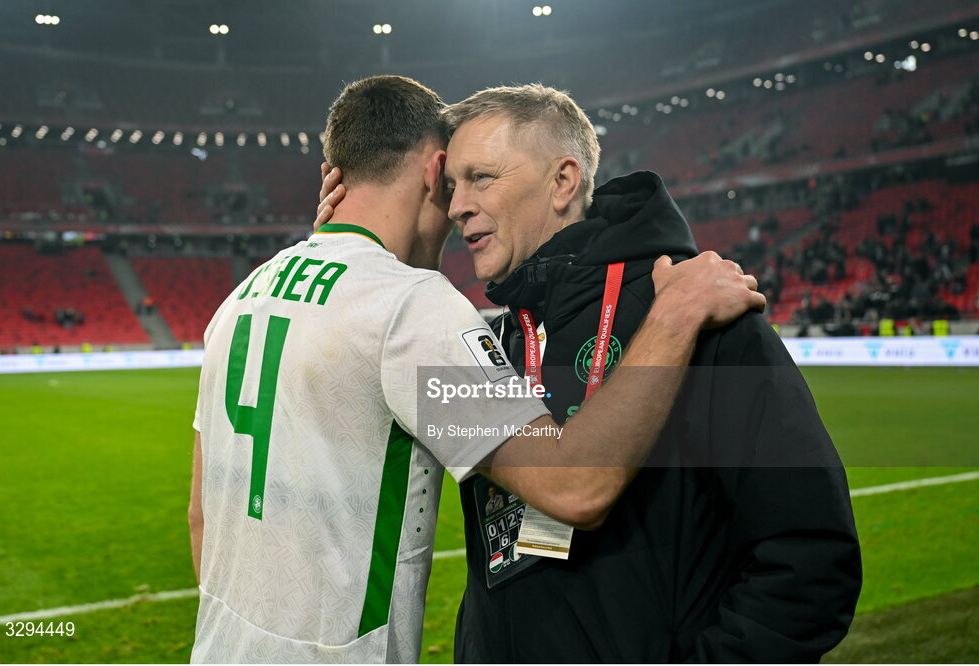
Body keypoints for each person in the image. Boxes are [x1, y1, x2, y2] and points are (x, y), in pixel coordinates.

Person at [189, 76, 762, 664]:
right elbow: (573, 486)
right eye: (459, 179)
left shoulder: (243, 297)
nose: (462, 204)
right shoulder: (411, 309)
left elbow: (201, 517)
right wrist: (673, 315)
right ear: (435, 170)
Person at [318, 83, 861, 662]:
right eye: (451, 187)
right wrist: (348, 248)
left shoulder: (705, 322)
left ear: (563, 181)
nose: (456, 207)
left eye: (482, 178)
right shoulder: (488, 345)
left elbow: (810, 558)